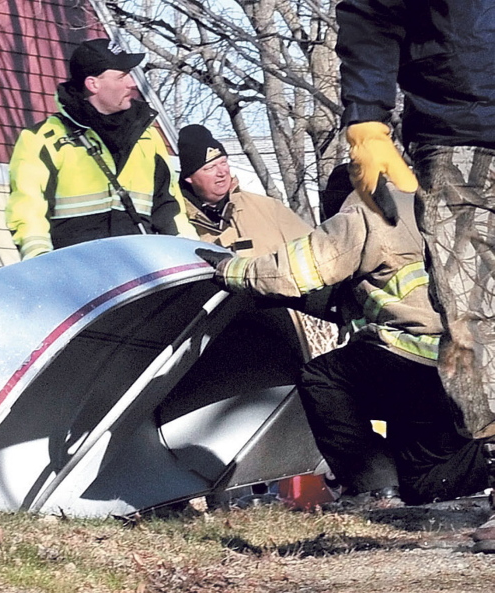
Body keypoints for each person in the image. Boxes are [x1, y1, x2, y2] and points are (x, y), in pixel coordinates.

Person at [196, 165, 494, 520]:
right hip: (474, 359)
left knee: (323, 378)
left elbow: (299, 268)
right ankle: (483, 463)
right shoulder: (433, 204)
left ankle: (373, 488)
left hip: (417, 356)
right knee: (424, 483)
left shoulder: (366, 210)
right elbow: (355, 298)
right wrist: (293, 299)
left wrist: (231, 270)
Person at [335, 1, 495, 443]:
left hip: (459, 127)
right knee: (472, 312)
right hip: (460, 135)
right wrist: (366, 120)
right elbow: (371, 12)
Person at [5, 38, 196, 260]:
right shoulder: (43, 139)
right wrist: (40, 264)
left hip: (140, 273)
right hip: (77, 277)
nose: (132, 83)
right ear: (93, 84)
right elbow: (27, 211)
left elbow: (170, 210)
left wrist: (192, 257)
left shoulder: (148, 137)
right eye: (122, 76)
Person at [177, 124, 312, 257]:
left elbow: (315, 252)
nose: (221, 172)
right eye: (210, 168)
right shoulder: (177, 219)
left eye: (223, 163)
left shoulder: (270, 209)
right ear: (189, 177)